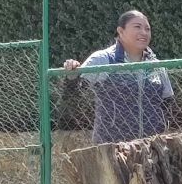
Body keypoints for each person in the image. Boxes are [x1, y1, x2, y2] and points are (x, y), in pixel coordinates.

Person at [63, 9, 174, 144]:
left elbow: (167, 102)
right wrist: (72, 75)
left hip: (151, 149)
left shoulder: (156, 65)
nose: (144, 33)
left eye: (147, 29)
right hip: (111, 148)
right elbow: (75, 93)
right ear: (121, 31)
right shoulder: (104, 59)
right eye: (137, 27)